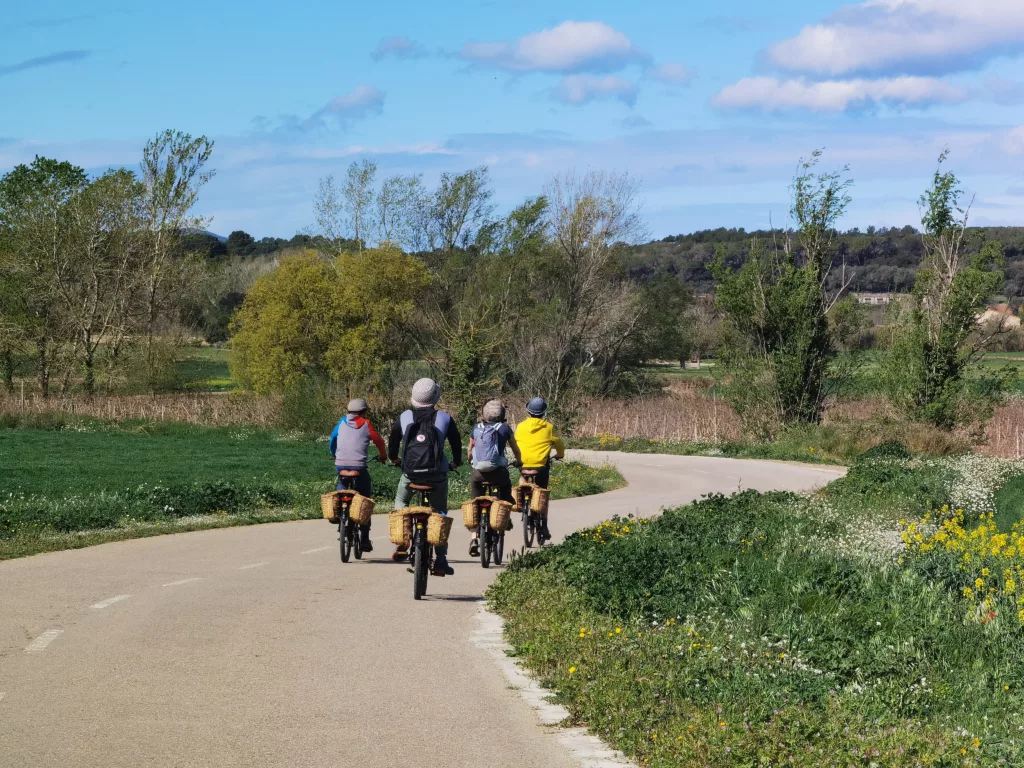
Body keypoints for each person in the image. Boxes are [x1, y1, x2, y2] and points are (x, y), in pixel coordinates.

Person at [387, 378, 462, 575]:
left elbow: (393, 444)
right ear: (436, 397)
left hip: (410, 474)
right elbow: (456, 444)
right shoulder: (445, 418)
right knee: (439, 512)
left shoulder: (404, 417)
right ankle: (441, 560)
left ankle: (403, 540)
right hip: (437, 475)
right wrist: (455, 462)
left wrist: (395, 459)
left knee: (402, 500)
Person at [466, 399, 522, 557]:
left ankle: (474, 538)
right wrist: (519, 462)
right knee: (505, 493)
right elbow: (516, 450)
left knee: (475, 502)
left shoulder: (476, 428)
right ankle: (504, 517)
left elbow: (470, 450)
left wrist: (470, 461)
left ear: (484, 413)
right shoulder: (505, 428)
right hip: (498, 473)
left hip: (478, 474)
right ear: (502, 414)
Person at [329, 398, 387, 552]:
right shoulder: (366, 424)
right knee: (365, 500)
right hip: (359, 468)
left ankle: (339, 511)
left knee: (341, 487)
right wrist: (383, 456)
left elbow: (333, 439)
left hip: (340, 465)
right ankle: (365, 538)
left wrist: (333, 453)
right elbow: (379, 441)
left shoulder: (341, 422)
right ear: (363, 411)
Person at [513, 397, 565, 543]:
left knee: (522, 478)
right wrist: (559, 454)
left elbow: (516, 441)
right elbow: (558, 442)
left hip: (524, 465)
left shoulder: (520, 426)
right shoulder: (548, 427)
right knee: (543, 493)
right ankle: (544, 525)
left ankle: (522, 500)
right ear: (543, 412)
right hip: (541, 467)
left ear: (528, 411)